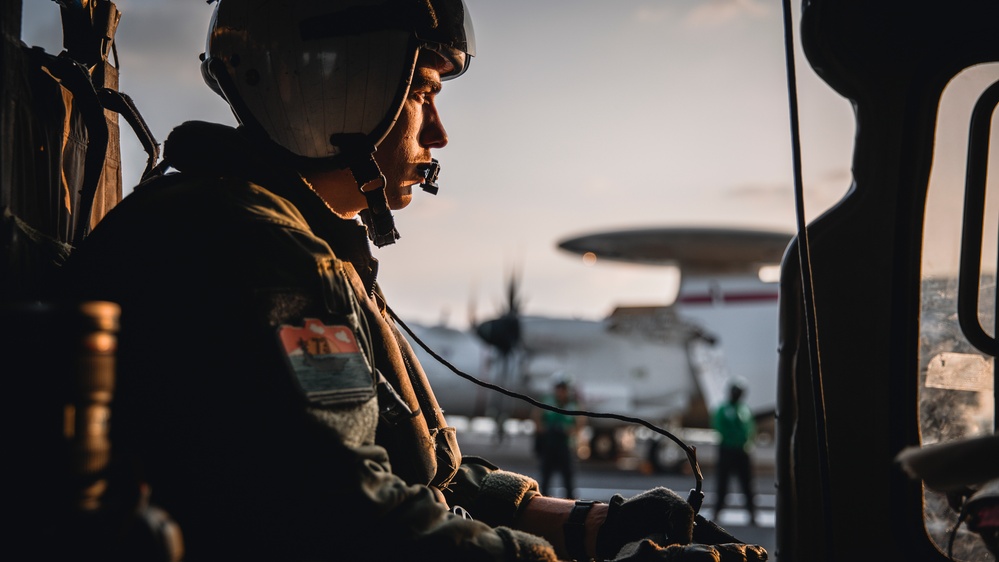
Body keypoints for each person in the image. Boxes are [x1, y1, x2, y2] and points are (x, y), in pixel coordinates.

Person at [59, 1, 768, 560]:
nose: (438, 135)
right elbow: (355, 522)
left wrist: (584, 523)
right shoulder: (259, 256)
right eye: (421, 94)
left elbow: (409, 464)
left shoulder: (275, 232)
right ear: (341, 90)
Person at [711, 378, 758, 526]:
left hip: (742, 451)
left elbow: (750, 428)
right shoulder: (723, 409)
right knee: (722, 483)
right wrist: (733, 437)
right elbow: (719, 426)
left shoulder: (744, 409)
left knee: (747, 484)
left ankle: (752, 513)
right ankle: (717, 511)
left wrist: (747, 441)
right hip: (727, 450)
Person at [535, 377, 584, 498]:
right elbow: (536, 418)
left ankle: (570, 503)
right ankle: (544, 502)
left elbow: (580, 424)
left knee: (568, 478)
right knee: (546, 476)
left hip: (565, 445)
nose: (561, 392)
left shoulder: (573, 404)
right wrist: (545, 430)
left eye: (563, 389)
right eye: (559, 389)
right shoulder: (547, 402)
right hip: (549, 444)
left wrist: (567, 430)